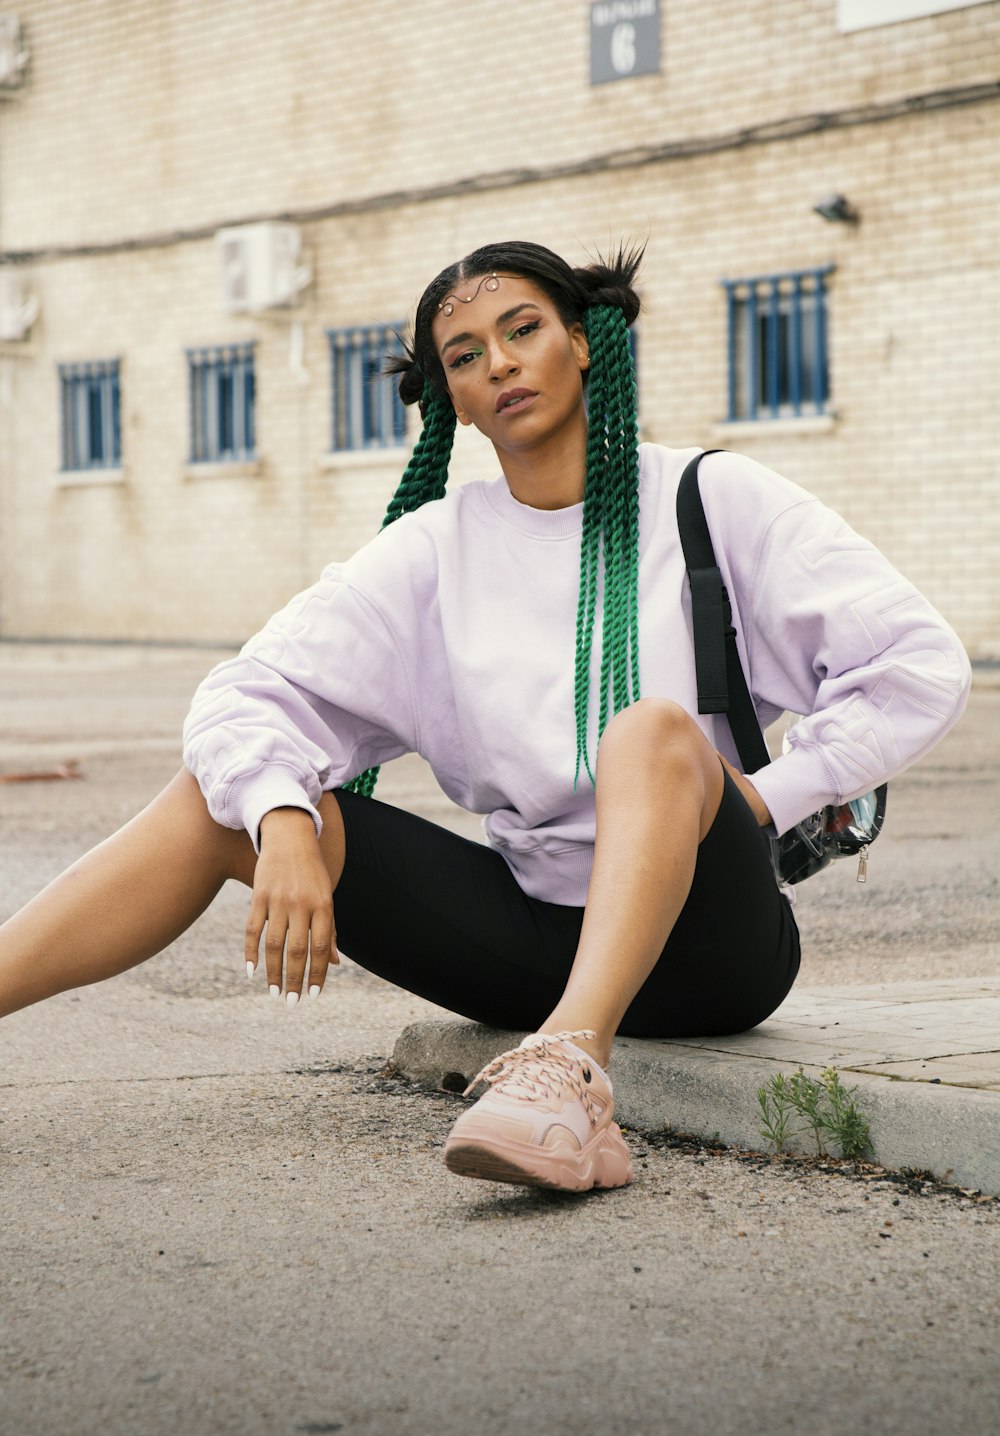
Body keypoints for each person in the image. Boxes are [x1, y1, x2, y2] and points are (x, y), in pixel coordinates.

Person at [0, 241, 971, 1193]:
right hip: (528, 935)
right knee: (222, 800)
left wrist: (763, 799)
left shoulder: (710, 497)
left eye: (522, 330)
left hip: (712, 946)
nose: (499, 362)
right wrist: (283, 821)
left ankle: (568, 1074)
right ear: (453, 402)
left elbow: (916, 661)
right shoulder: (433, 552)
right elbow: (245, 694)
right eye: (465, 356)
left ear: (582, 342)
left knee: (648, 733)